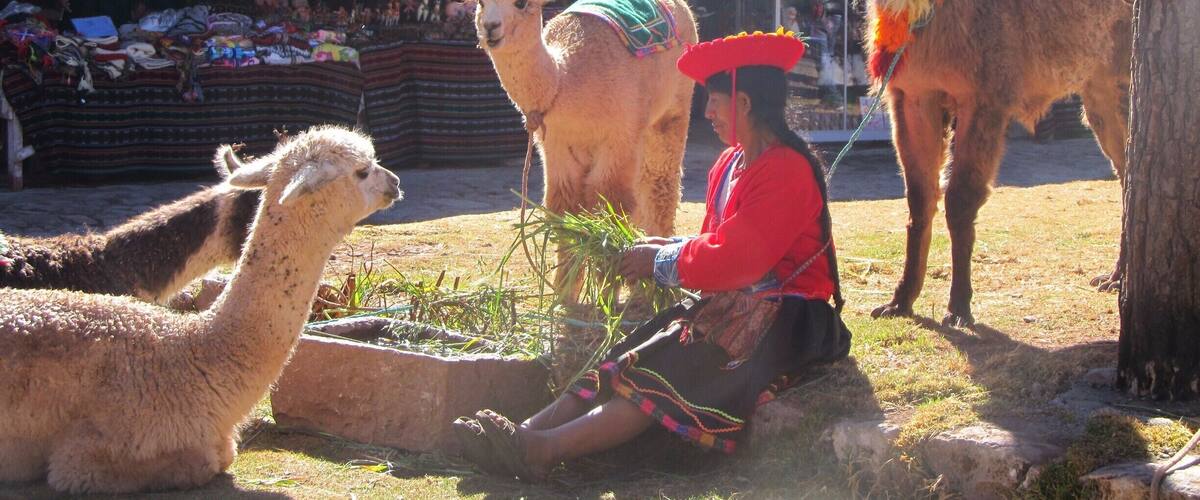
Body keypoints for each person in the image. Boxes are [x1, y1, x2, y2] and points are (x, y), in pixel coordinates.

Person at [452, 29, 852, 482]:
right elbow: (715, 243)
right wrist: (665, 248)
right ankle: (524, 430)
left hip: (789, 318)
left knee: (665, 369)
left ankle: (540, 450)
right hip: (734, 306)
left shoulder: (785, 170)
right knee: (628, 354)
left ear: (743, 103)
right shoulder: (730, 165)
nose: (707, 113)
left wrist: (660, 263)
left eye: (715, 102)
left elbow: (740, 261)